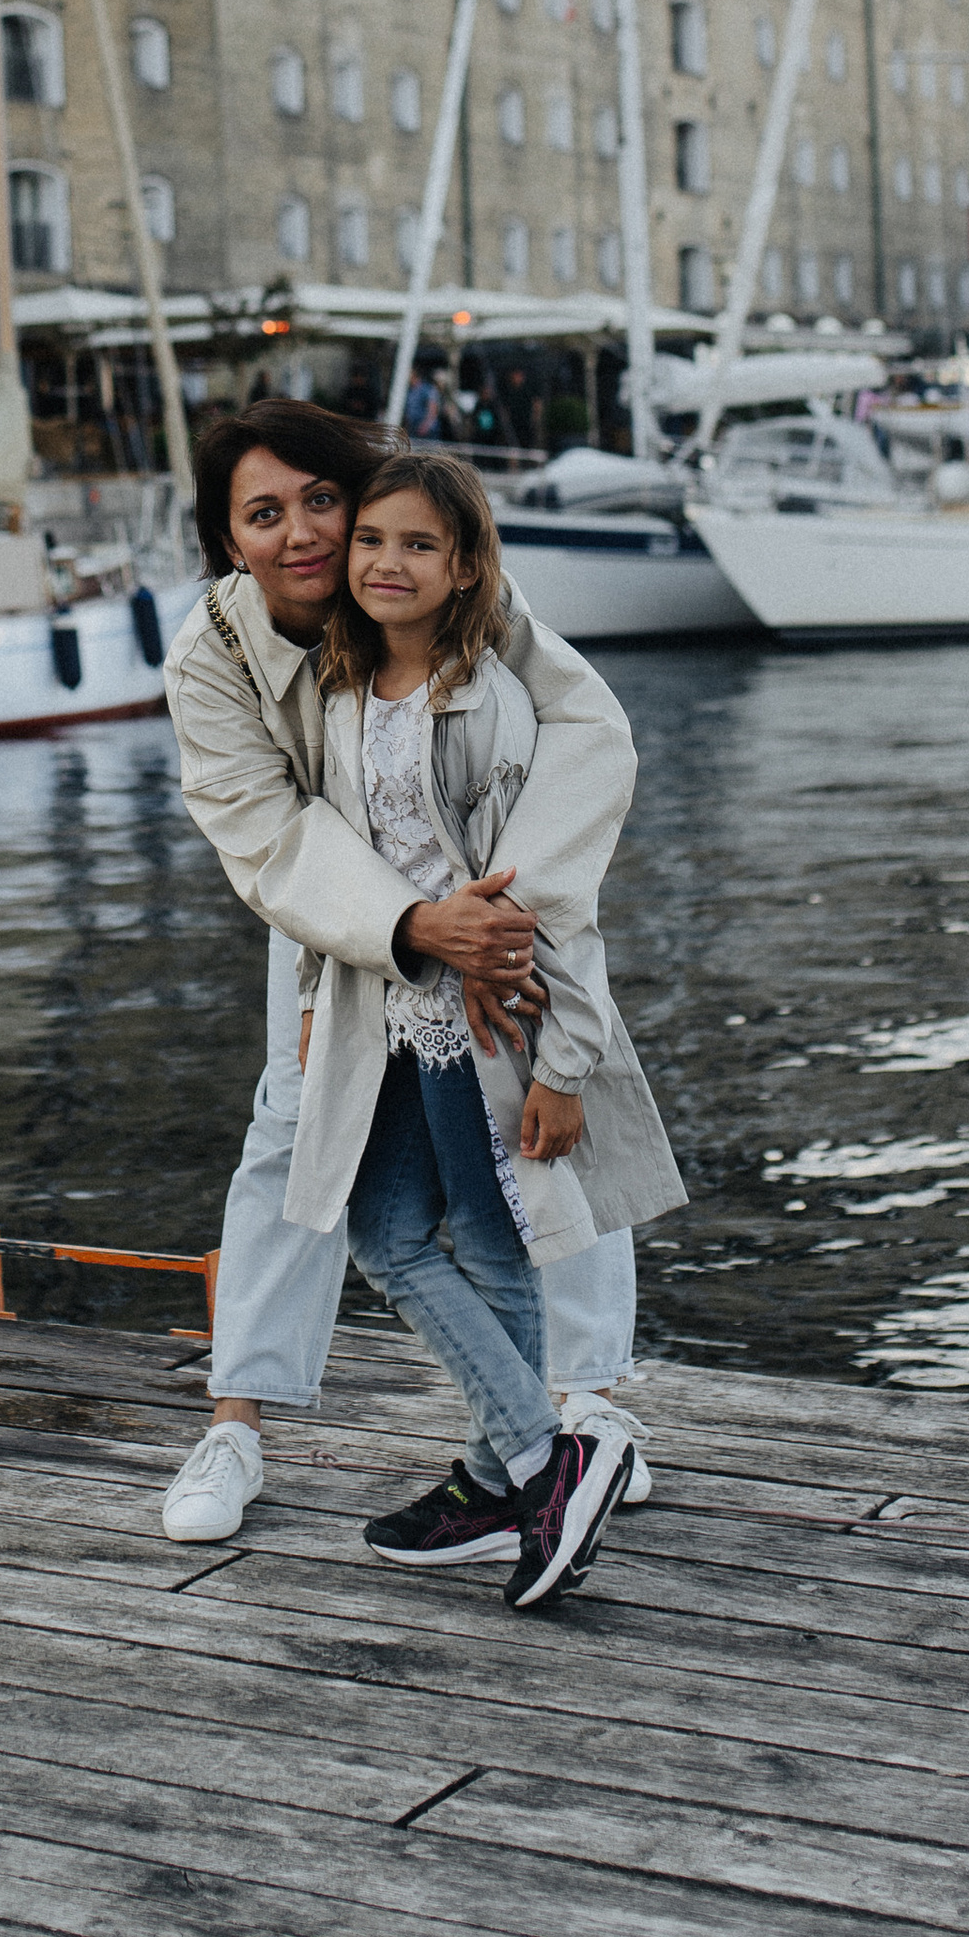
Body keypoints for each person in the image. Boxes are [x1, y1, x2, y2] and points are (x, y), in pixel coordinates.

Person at [157, 398, 678, 1544]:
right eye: (262, 513)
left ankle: (580, 1402)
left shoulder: (427, 574)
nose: (300, 532)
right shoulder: (214, 652)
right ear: (225, 538)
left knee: (542, 1136)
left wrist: (499, 918)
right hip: (328, 922)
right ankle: (237, 1416)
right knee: (294, 1136)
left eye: (320, 500)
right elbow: (267, 834)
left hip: (501, 905)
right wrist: (407, 926)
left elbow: (586, 730)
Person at [300, 453, 650, 1610]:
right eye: (371, 541)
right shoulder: (341, 690)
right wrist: (315, 1002)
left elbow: (550, 899)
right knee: (386, 1230)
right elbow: (336, 868)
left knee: (476, 1241)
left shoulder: (485, 703)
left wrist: (566, 1062)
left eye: (417, 546)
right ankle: (536, 1464)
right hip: (389, 1000)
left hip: (479, 1014)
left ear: (463, 572)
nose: (386, 563)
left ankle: (534, 1466)